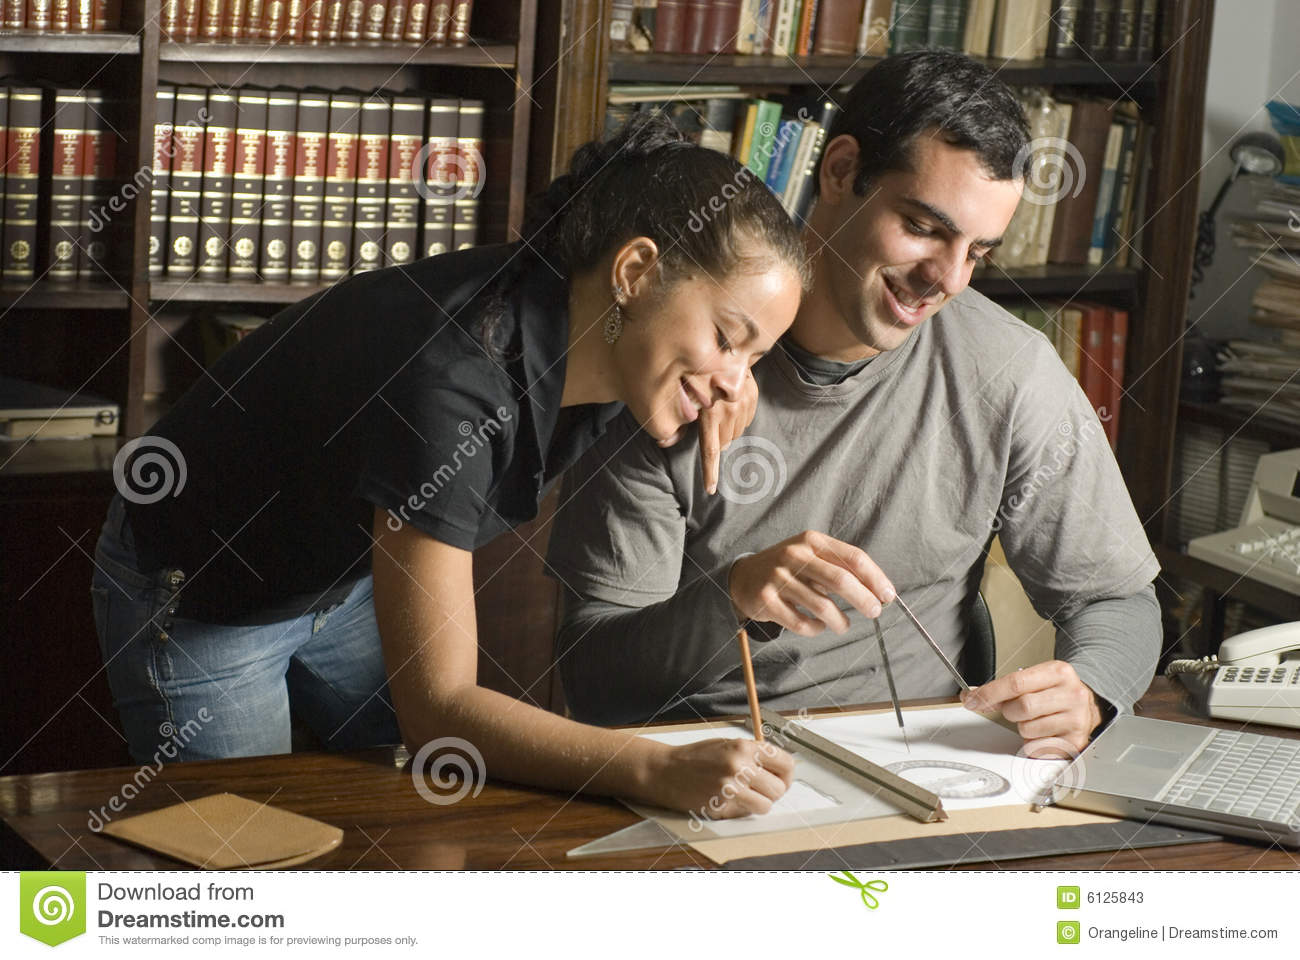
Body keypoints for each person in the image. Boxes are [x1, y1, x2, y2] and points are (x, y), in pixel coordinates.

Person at [92, 112, 807, 819]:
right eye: (726, 337)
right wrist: (652, 765)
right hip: (206, 592)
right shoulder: (453, 386)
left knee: (419, 814)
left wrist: (705, 377)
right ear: (635, 271)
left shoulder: (595, 320)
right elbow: (439, 715)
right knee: (247, 862)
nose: (735, 383)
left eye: (755, 358)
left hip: (342, 582)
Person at [547, 51, 1162, 760]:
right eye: (924, 228)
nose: (946, 279)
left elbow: (1117, 600)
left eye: (978, 253)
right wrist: (734, 598)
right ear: (840, 171)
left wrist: (1089, 690)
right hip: (708, 773)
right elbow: (594, 680)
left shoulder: (1011, 372)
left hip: (932, 774)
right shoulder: (677, 361)